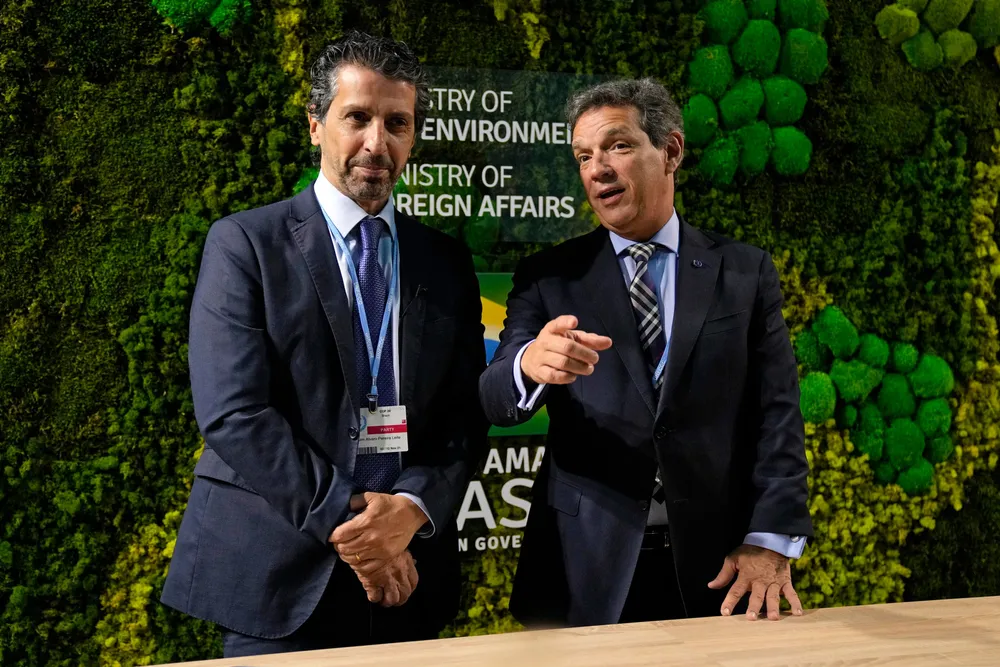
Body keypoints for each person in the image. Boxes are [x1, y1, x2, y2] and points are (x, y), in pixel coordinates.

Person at [161, 31, 488, 657]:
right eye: (357, 117)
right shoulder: (245, 245)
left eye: (397, 123)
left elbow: (464, 415)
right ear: (316, 124)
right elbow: (235, 412)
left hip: (409, 580)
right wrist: (361, 525)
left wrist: (411, 509)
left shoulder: (444, 262)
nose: (377, 142)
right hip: (278, 578)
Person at [479, 78, 813, 627]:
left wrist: (770, 540)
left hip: (721, 572)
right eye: (583, 156)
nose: (597, 169)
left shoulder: (744, 271)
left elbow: (777, 413)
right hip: (582, 572)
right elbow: (496, 400)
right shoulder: (549, 277)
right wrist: (528, 364)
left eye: (617, 146)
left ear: (671, 151)